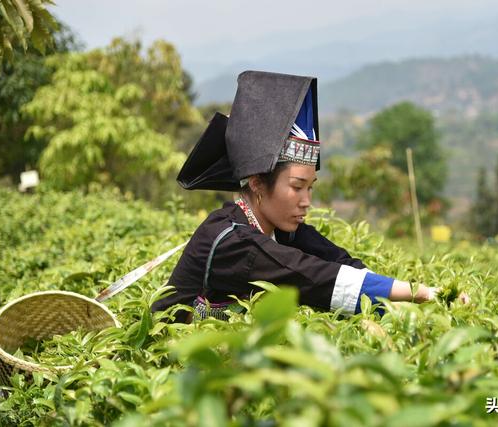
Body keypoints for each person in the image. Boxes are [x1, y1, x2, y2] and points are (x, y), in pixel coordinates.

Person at [151, 71, 469, 323]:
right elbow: (314, 277)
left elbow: (342, 266)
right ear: (259, 183)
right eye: (296, 186)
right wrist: (421, 294)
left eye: (310, 187)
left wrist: (415, 305)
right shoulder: (231, 240)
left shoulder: (282, 232)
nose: (306, 200)